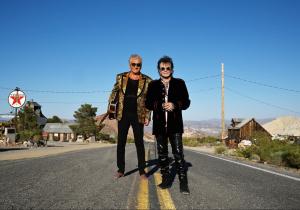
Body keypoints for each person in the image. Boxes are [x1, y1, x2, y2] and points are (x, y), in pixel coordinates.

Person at [145, 56, 191, 194]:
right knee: (162, 155)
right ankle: (165, 180)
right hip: (159, 126)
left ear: (172, 69)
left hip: (175, 125)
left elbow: (187, 102)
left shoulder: (180, 83)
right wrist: (159, 105)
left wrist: (175, 105)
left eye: (168, 68)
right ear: (158, 70)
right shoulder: (153, 85)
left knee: (178, 154)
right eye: (162, 68)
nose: (165, 70)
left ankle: (183, 183)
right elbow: (147, 103)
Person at [108, 54, 152, 180]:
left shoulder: (147, 80)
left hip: (138, 115)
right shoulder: (121, 77)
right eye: (134, 64)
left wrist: (148, 115)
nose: (136, 67)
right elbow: (114, 93)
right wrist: (111, 111)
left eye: (139, 64)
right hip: (123, 114)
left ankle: (142, 170)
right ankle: (120, 169)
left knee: (139, 143)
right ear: (129, 65)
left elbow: (149, 99)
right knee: (121, 143)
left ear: (141, 65)